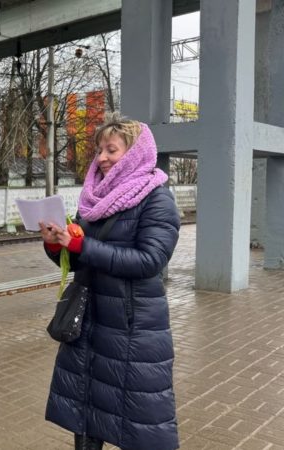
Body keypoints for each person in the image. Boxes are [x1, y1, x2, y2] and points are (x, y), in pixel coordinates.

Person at [39, 115, 180, 450]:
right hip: (90, 323)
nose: (100, 157)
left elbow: (150, 261)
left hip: (132, 329)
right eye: (100, 149)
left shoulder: (158, 199)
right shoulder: (95, 200)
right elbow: (78, 260)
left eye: (111, 150)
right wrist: (56, 243)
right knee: (87, 413)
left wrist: (82, 245)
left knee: (140, 423)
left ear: (133, 155)